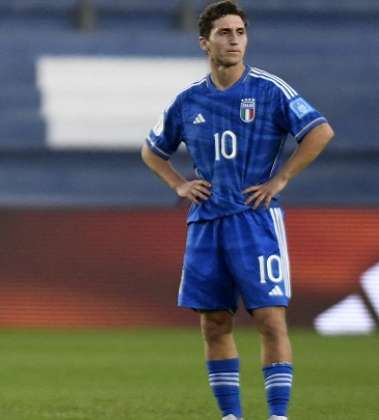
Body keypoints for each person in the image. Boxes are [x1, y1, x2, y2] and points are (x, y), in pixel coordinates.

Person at [140, 2, 334, 419]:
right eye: (225, 32)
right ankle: (231, 416)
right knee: (213, 324)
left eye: (240, 32)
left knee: (269, 318)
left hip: (255, 219)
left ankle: (277, 415)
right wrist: (179, 184)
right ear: (204, 42)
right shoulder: (189, 100)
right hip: (206, 222)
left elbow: (319, 131)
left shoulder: (269, 89)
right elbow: (152, 150)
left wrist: (279, 180)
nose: (234, 40)